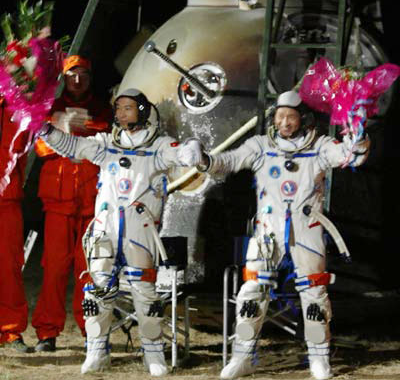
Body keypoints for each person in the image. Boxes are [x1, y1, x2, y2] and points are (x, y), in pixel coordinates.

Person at [180, 90, 370, 380]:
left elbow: (348, 156)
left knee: (314, 294)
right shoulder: (260, 146)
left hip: (307, 231)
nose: (284, 122)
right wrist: (203, 159)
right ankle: (243, 355)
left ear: (302, 119)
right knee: (251, 295)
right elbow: (228, 161)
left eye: (290, 117)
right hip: (268, 232)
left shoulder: (318, 146)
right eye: (280, 116)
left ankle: (319, 358)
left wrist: (357, 138)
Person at [37, 88, 200, 375]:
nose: (121, 112)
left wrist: (192, 148)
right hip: (107, 227)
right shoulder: (106, 144)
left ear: (143, 110)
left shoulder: (158, 147)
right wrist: (45, 130)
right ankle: (97, 352)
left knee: (145, 294)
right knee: (97, 291)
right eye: (119, 108)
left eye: (128, 108)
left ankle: (154, 355)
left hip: (140, 230)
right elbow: (73, 146)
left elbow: (182, 154)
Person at [32, 55, 112, 352]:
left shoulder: (103, 109)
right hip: (58, 201)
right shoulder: (50, 109)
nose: (77, 80)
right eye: (71, 75)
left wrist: (85, 127)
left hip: (91, 202)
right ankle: (47, 332)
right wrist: (61, 126)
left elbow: (108, 140)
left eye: (82, 75)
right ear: (63, 78)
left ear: (90, 78)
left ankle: (90, 330)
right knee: (53, 268)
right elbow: (40, 147)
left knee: (88, 269)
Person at [0, 97, 30, 352]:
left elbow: (24, 151)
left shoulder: (17, 108)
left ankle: (11, 331)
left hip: (7, 199)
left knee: (9, 268)